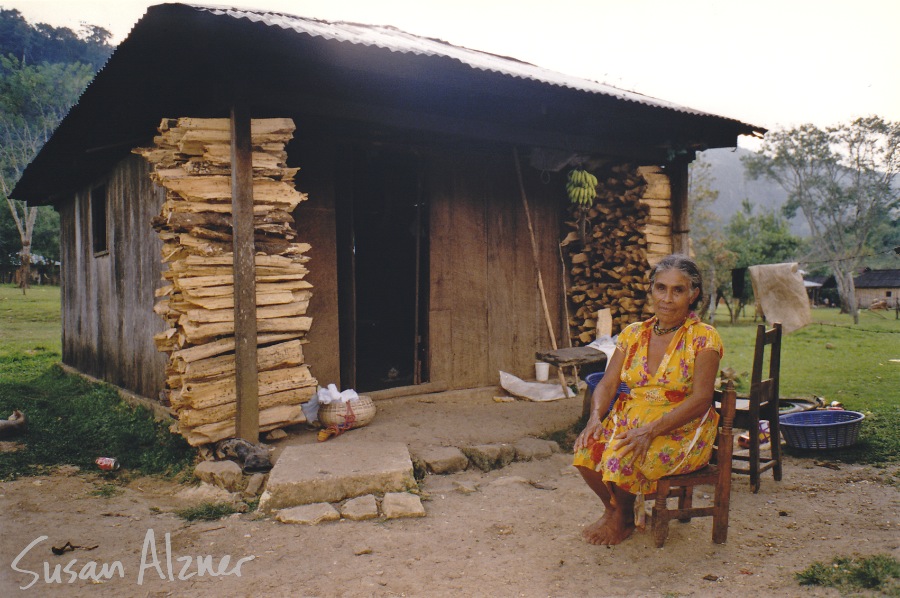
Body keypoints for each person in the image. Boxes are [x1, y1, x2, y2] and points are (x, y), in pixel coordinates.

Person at [573, 254, 724, 545]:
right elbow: (607, 383)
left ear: (692, 295)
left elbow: (702, 398)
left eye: (677, 290)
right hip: (633, 420)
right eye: (661, 288)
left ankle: (622, 519)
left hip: (682, 429)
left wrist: (650, 430)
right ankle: (616, 511)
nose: (667, 298)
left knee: (622, 454)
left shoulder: (705, 338)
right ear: (651, 290)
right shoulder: (632, 334)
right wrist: (594, 418)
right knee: (585, 450)